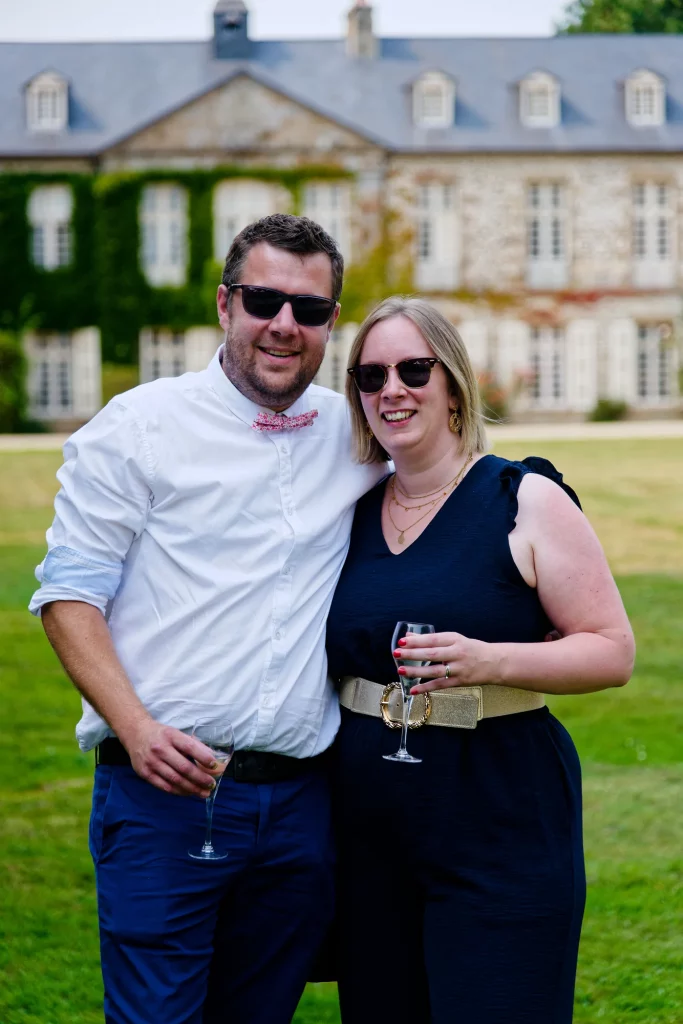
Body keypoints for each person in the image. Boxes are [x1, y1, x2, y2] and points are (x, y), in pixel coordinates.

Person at [29, 214, 385, 1024]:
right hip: (162, 798)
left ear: (331, 323)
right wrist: (138, 727)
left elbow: (444, 472)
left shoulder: (354, 431)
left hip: (301, 808)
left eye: (311, 310)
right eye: (264, 300)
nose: (284, 326)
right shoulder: (140, 426)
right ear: (225, 305)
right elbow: (69, 593)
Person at [326, 296, 635, 1024]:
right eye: (371, 376)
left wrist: (490, 659)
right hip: (369, 827)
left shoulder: (523, 498)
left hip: (499, 814)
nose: (391, 389)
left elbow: (610, 651)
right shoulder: (348, 511)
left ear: (454, 384)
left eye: (413, 369)